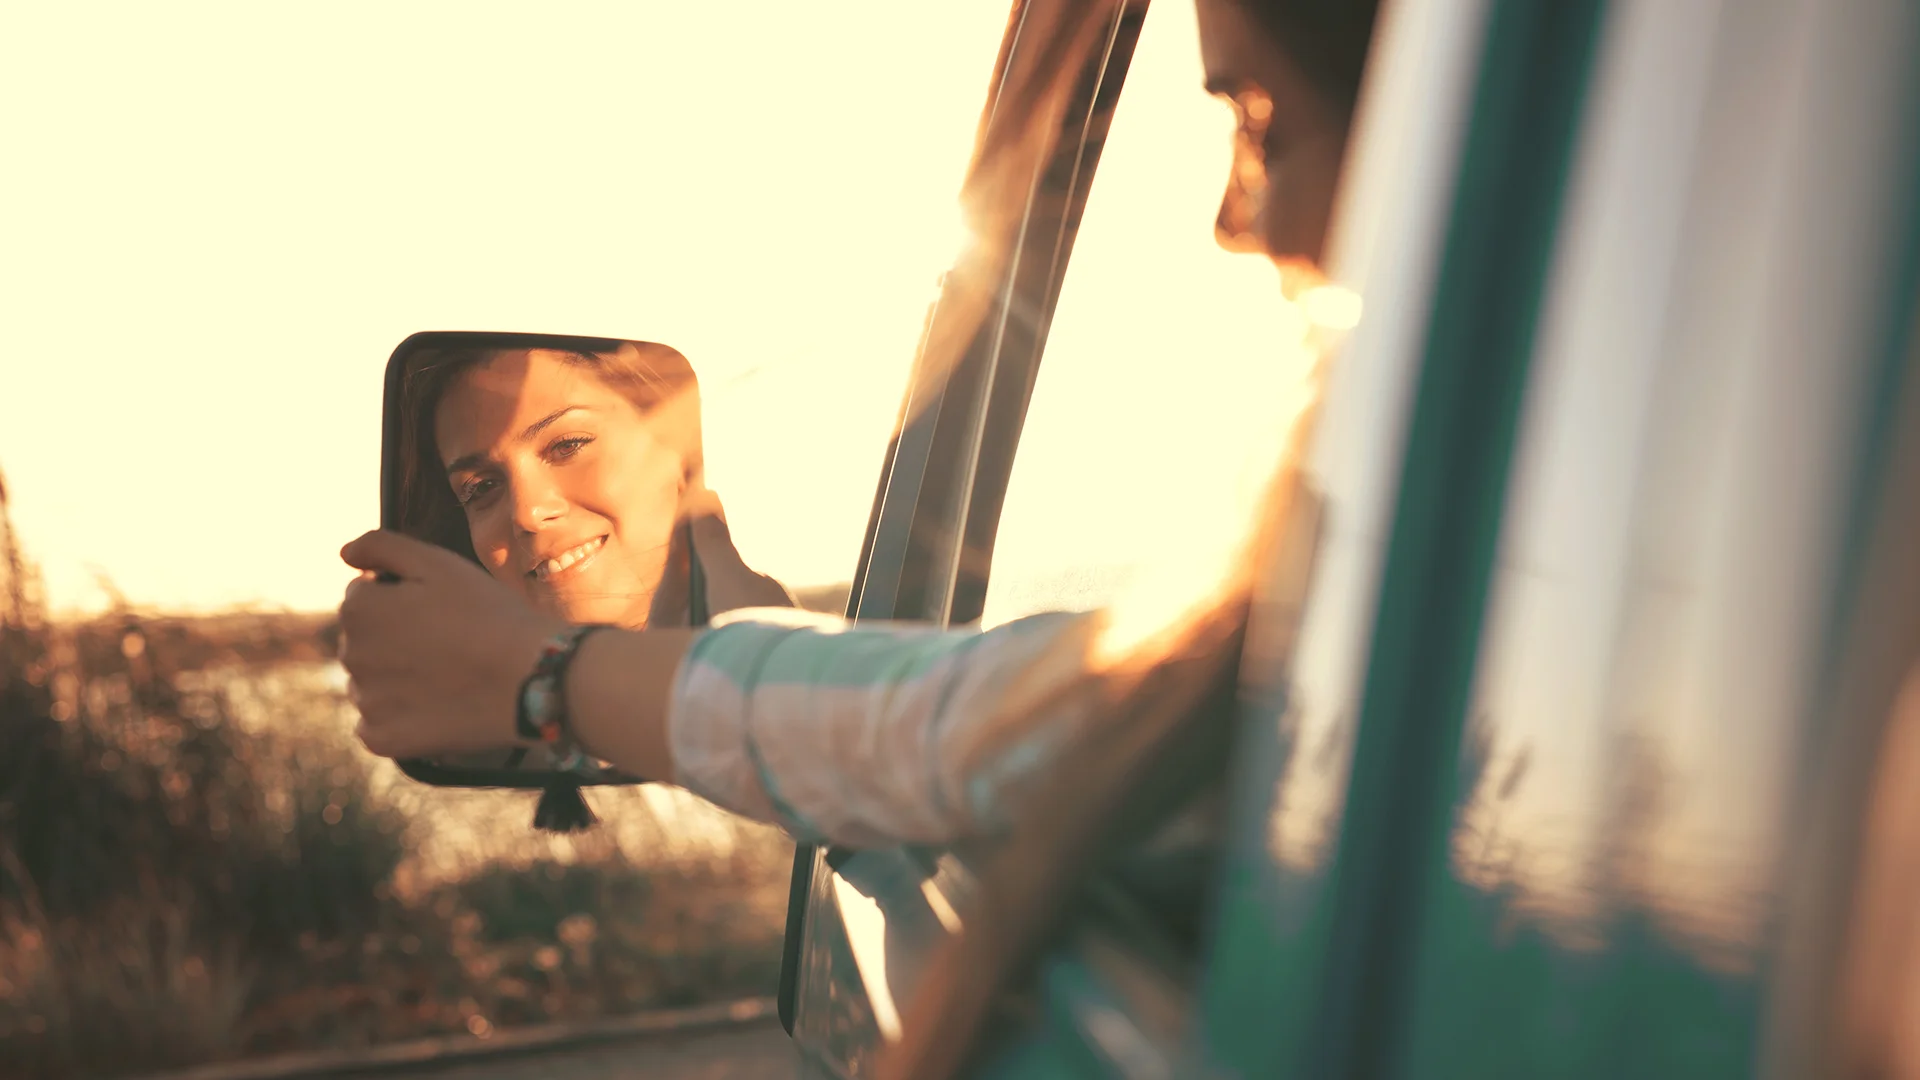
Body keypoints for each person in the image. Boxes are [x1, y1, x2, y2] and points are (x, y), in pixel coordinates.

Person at [339, 0, 1378, 1072]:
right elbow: (964, 716)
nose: (1231, 220)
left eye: (1257, 119)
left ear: (1426, 118)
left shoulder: (1357, 620)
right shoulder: (1392, 597)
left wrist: (547, 682)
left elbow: (966, 730)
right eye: (477, 484)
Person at [392, 339, 794, 631]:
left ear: (679, 450)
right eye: (480, 487)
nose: (527, 514)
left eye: (567, 446)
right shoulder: (487, 736)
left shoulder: (788, 676)